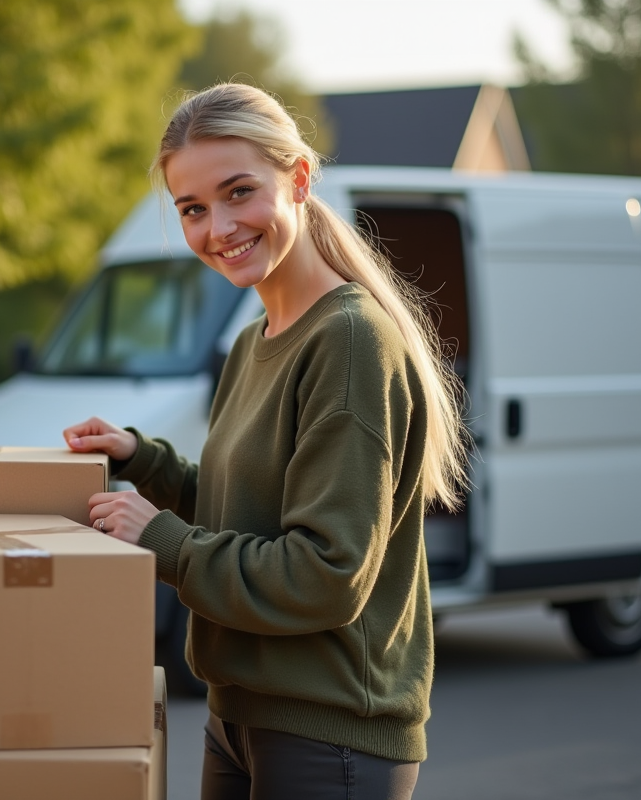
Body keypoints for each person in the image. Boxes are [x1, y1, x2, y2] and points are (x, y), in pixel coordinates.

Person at [63, 82, 469, 800]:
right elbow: (244, 511)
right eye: (192, 208)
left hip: (330, 732)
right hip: (242, 713)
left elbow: (324, 573)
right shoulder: (256, 341)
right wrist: (145, 461)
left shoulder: (347, 340)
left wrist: (163, 541)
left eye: (239, 192)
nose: (218, 227)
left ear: (300, 180)